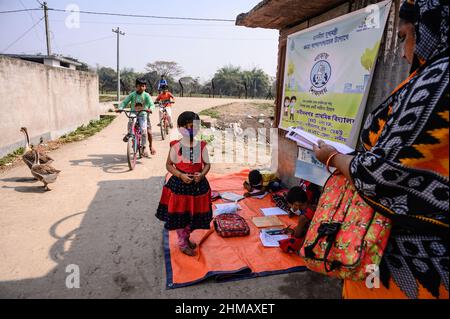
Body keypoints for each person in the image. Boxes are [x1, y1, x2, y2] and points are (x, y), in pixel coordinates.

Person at [313, 0, 448, 299]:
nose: (402, 52)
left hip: (411, 269)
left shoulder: (440, 79)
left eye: (403, 37)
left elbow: (385, 175)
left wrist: (333, 158)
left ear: (428, 30)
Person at [156, 111, 212, 256]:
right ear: (180, 128)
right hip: (180, 188)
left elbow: (207, 164)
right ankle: (182, 243)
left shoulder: (202, 146)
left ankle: (186, 238)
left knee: (192, 216)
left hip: (197, 187)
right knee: (181, 217)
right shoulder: (175, 146)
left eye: (195, 127)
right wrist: (180, 175)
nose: (192, 130)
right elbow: (169, 165)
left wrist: (202, 174)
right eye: (189, 127)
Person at [116, 78, 156, 157]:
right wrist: (120, 108)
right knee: (131, 121)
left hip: (143, 114)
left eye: (143, 86)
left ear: (145, 87)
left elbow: (152, 104)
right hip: (134, 113)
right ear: (136, 86)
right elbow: (125, 102)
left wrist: (150, 109)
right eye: (139, 86)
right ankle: (130, 134)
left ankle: (144, 147)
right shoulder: (132, 94)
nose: (141, 87)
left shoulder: (146, 95)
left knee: (145, 131)